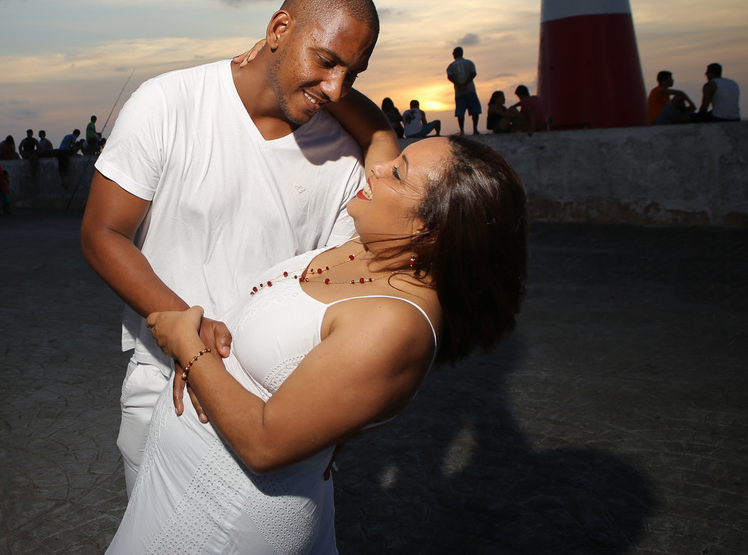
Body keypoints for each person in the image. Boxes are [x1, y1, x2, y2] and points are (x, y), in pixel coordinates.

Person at [106, 118, 527, 553]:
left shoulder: (395, 324)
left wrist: (188, 348)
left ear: (428, 230)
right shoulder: (378, 244)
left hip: (226, 522)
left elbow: (264, 445)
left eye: (397, 171)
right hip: (174, 490)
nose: (377, 169)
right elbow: (378, 132)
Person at [82, 0, 386, 496]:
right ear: (279, 28)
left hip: (282, 401)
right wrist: (186, 331)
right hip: (165, 385)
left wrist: (333, 397)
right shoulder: (166, 104)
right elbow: (103, 233)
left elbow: (343, 291)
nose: (337, 88)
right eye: (327, 60)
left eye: (353, 73)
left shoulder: (345, 155)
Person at [446, 46, 481, 134]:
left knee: (460, 112)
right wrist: (465, 83)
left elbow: (450, 77)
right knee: (474, 110)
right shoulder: (469, 63)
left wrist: (459, 84)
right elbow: (473, 74)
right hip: (470, 89)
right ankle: (475, 129)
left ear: (455, 54)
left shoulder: (451, 66)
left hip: (459, 91)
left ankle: (462, 131)